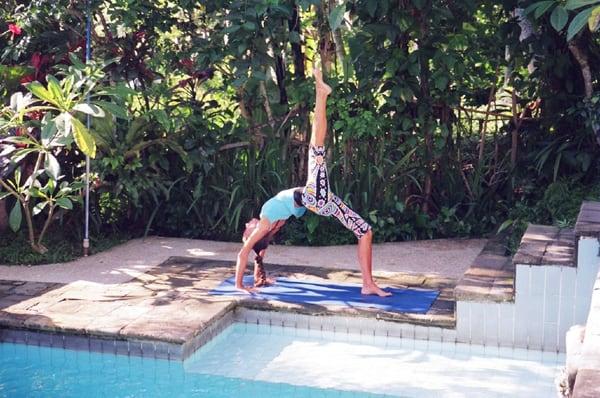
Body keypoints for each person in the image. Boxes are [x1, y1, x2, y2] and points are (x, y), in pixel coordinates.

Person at [234, 67, 391, 297]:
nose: (247, 223)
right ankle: (321, 92)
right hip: (312, 197)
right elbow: (243, 254)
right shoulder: (265, 223)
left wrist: (260, 273)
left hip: (321, 201)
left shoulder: (269, 226)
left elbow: (258, 254)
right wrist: (239, 285)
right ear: (252, 233)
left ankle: (368, 283)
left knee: (364, 231)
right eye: (246, 229)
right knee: (316, 146)